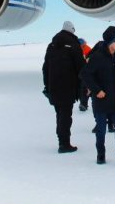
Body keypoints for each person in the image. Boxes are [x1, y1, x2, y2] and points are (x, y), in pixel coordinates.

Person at [80, 26, 115, 167]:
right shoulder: (98, 57)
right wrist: (96, 90)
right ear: (109, 43)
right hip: (101, 100)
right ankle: (101, 155)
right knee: (101, 129)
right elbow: (84, 74)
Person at [42, 21, 85, 153]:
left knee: (60, 114)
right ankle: (64, 144)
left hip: (54, 87)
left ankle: (62, 141)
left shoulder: (52, 45)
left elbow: (45, 68)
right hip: (68, 87)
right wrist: (84, 84)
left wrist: (47, 86)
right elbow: (80, 66)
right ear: (72, 31)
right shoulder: (73, 44)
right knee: (66, 116)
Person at [78, 38, 91, 111]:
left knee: (84, 87)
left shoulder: (87, 49)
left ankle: (83, 104)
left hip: (86, 71)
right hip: (81, 71)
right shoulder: (77, 49)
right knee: (82, 88)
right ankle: (83, 103)